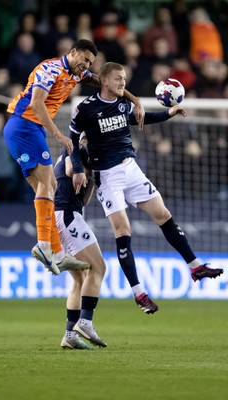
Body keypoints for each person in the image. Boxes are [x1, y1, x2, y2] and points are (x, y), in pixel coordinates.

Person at [69, 62, 224, 314]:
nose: (123, 83)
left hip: (130, 168)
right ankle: (139, 292)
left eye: (125, 78)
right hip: (107, 176)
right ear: (105, 81)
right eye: (119, 79)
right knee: (123, 229)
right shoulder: (85, 109)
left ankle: (195, 266)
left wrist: (168, 114)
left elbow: (139, 118)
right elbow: (72, 142)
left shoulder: (123, 104)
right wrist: (77, 169)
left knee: (163, 214)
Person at [3, 39, 144, 276]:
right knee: (49, 185)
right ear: (73, 52)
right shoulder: (49, 69)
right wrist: (58, 135)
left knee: (45, 187)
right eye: (85, 59)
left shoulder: (77, 74)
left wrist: (135, 100)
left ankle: (56, 252)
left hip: (29, 129)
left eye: (91, 62)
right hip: (25, 125)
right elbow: (37, 104)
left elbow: (104, 81)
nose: (87, 65)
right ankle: (44, 245)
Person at [54, 134, 107, 350]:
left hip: (63, 215)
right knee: (99, 268)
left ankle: (69, 335)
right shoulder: (73, 152)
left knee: (80, 278)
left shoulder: (81, 159)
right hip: (67, 216)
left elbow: (83, 199)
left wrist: (92, 178)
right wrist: (84, 169)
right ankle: (85, 322)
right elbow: (69, 169)